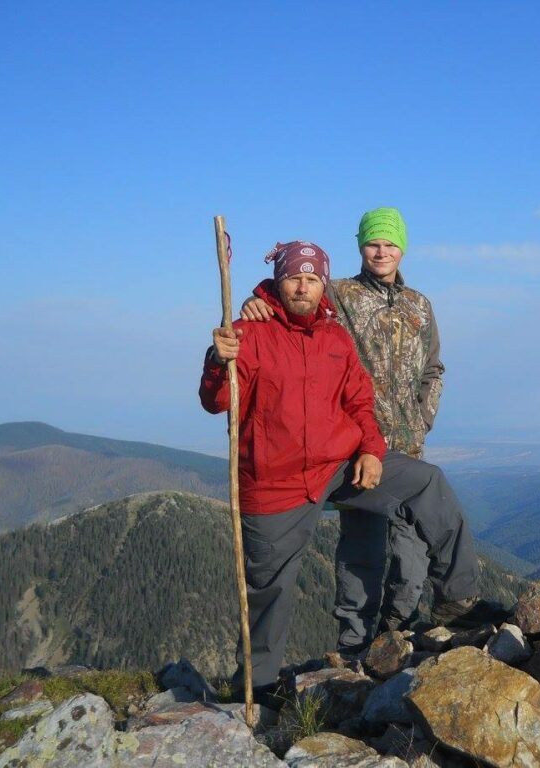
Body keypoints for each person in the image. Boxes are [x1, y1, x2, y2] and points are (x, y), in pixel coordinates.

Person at [201, 240, 482, 698]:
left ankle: (459, 600)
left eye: (312, 279)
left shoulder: (334, 336)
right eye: (294, 277)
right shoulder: (248, 333)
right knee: (270, 592)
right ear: (278, 279)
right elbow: (217, 402)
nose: (303, 287)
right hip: (277, 482)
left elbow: (357, 399)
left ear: (322, 285)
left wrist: (371, 449)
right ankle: (257, 689)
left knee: (427, 483)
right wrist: (218, 361)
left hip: (341, 463)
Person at [241, 208, 450, 653]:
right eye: (374, 242)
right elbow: (294, 295)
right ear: (361, 246)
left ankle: (398, 641)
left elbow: (433, 369)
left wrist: (420, 417)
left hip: (406, 447)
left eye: (390, 243)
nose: (382, 251)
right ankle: (355, 646)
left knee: (412, 552)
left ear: (403, 248)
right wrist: (254, 298)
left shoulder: (420, 305)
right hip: (354, 448)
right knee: (362, 551)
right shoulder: (339, 294)